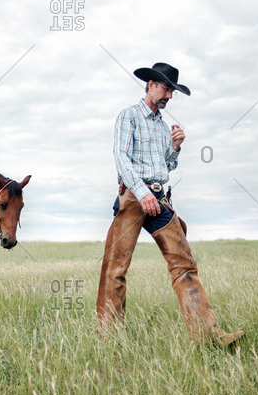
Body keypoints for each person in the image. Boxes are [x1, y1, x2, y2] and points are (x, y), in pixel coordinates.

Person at [96, 62, 244, 346]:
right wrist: (142, 193)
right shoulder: (128, 116)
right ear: (150, 85)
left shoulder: (164, 127)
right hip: (134, 197)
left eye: (172, 91)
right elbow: (121, 158)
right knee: (116, 268)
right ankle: (110, 339)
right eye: (166, 89)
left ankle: (208, 336)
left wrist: (175, 147)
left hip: (160, 198)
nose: (169, 96)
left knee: (184, 264)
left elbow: (167, 166)